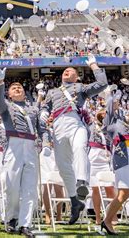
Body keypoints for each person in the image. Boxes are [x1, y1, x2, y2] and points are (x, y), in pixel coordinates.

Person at [40, 55, 107, 224]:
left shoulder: (81, 87)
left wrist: (93, 65)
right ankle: (75, 201)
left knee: (79, 148)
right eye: (65, 70)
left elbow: (102, 84)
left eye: (71, 71)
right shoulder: (52, 92)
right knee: (63, 166)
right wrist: (44, 114)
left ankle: (82, 182)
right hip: (58, 127)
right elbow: (45, 107)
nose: (67, 71)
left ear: (77, 77)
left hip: (75, 122)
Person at [0, 67, 42, 238]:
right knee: (12, 185)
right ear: (10, 94)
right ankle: (12, 217)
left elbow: (40, 128)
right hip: (13, 144)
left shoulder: (34, 109)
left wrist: (43, 141)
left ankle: (25, 224)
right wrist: (0, 82)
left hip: (30, 145)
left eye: (20, 87)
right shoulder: (7, 106)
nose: (17, 88)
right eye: (13, 88)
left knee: (29, 188)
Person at [101, 93, 129, 235]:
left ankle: (106, 221)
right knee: (124, 193)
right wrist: (112, 94)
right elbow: (111, 104)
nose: (116, 103)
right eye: (113, 102)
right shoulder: (109, 120)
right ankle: (107, 221)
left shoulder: (123, 119)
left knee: (124, 194)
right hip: (122, 154)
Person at [88, 109, 115, 227]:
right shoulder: (91, 125)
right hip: (93, 156)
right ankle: (98, 217)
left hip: (105, 157)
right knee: (95, 189)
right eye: (102, 113)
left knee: (109, 188)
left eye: (106, 113)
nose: (103, 115)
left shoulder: (110, 126)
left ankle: (112, 216)